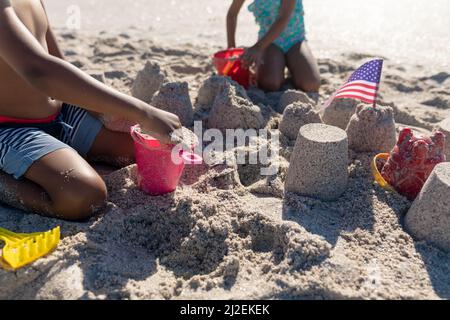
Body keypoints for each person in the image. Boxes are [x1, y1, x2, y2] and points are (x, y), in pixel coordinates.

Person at [0, 0, 181, 221]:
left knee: (144, 152)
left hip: (62, 114)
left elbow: (57, 63)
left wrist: (102, 110)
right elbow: (39, 72)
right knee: (83, 195)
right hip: (10, 128)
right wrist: (144, 112)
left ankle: (61, 159)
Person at [227, 0, 320, 92]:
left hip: (295, 38)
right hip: (268, 41)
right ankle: (278, 65)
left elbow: (283, 18)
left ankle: (290, 66)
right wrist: (231, 49)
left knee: (311, 84)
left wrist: (257, 48)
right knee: (270, 84)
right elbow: (232, 14)